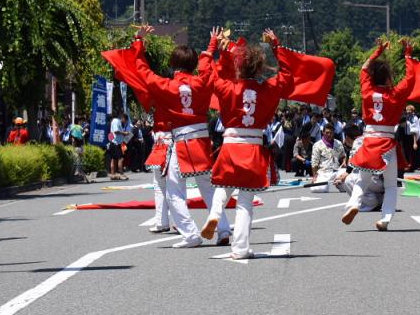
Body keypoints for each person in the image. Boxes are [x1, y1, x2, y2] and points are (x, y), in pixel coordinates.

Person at [130, 25, 231, 248]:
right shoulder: (202, 82)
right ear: (193, 64)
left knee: (173, 191)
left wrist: (139, 42)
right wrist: (211, 46)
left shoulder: (166, 85)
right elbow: (208, 69)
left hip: (181, 142)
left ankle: (190, 234)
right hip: (202, 140)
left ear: (173, 64)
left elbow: (143, 72)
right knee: (208, 188)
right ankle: (223, 229)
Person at [200, 29, 296, 260]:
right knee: (245, 200)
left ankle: (215, 213)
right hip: (253, 146)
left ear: (239, 68)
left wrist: (212, 46)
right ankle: (241, 248)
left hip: (231, 143)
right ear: (259, 68)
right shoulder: (270, 90)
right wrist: (276, 46)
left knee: (223, 186)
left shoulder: (227, 87)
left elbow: (206, 73)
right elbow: (288, 75)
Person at [343, 38, 416, 231]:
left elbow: (364, 68)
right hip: (388, 143)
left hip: (369, 141)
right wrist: (407, 54)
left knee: (362, 180)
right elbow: (411, 78)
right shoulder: (395, 94)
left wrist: (378, 51)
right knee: (391, 185)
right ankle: (385, 219)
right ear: (388, 78)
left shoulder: (367, 90)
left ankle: (353, 205)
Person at [310, 124, 346, 192]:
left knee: (348, 181)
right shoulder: (317, 145)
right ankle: (326, 184)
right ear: (323, 132)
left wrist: (344, 162)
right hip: (324, 172)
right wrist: (314, 176)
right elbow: (314, 162)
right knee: (317, 189)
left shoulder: (339, 143)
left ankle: (338, 184)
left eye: (331, 133)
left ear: (333, 133)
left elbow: (343, 156)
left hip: (337, 171)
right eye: (327, 133)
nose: (329, 134)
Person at [107, 113, 132, 180]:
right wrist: (124, 133)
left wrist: (124, 134)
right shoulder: (116, 121)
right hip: (115, 143)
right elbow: (116, 131)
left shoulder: (118, 122)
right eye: (126, 121)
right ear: (123, 118)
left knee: (114, 159)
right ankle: (120, 173)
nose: (125, 122)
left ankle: (113, 174)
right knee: (120, 158)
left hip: (116, 142)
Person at [403, 105, 420, 171]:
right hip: (407, 136)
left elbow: (414, 131)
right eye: (407, 110)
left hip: (413, 137)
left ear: (412, 111)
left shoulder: (414, 118)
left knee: (412, 152)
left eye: (409, 110)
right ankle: (408, 165)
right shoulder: (407, 117)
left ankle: (412, 166)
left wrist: (415, 142)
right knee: (408, 152)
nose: (408, 111)